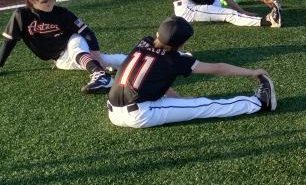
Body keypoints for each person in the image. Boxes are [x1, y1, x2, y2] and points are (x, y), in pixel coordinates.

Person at [106, 16, 277, 128]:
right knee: (205, 106)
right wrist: (253, 72)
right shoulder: (175, 60)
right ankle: (260, 103)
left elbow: (153, 80)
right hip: (141, 114)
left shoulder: (143, 43)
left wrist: (178, 100)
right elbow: (218, 68)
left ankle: (258, 102)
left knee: (187, 103)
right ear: (180, 45)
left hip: (113, 114)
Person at [0, 0, 126, 93]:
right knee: (100, 61)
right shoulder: (21, 16)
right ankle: (131, 62)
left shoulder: (62, 13)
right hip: (60, 60)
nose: (51, 3)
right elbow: (9, 42)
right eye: (45, 0)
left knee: (79, 51)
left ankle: (102, 77)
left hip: (73, 41)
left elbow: (86, 32)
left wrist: (95, 52)